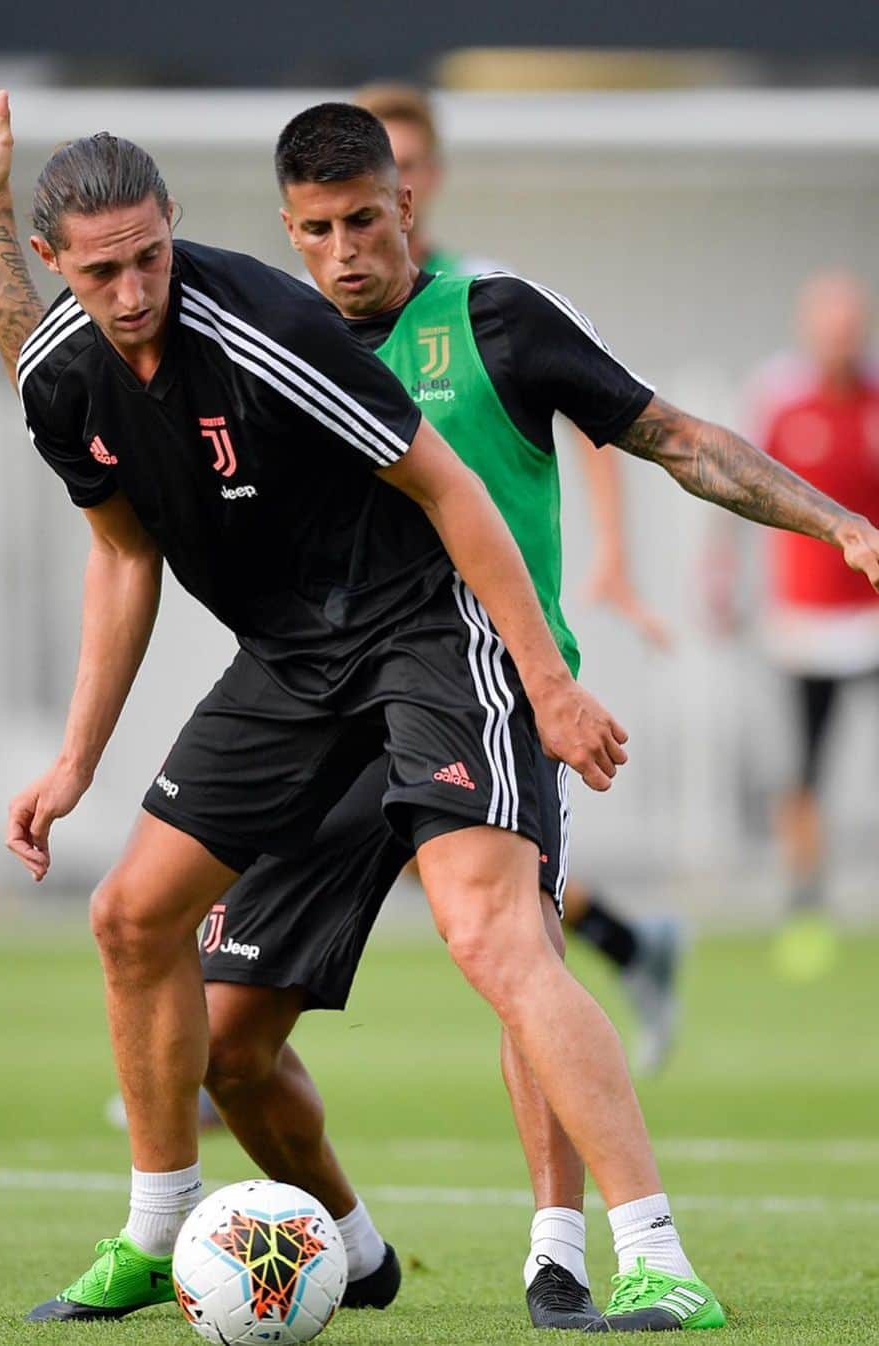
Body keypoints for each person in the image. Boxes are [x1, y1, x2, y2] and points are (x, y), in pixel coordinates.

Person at [0, 90, 879, 1333]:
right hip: (296, 663)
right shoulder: (80, 367)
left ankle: (642, 1253)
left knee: (492, 932)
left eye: (150, 257)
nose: (134, 289)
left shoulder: (293, 325)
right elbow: (111, 525)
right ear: (60, 262)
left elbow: (477, 479)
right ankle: (231, 1236)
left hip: (433, 639)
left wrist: (558, 678)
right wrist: (75, 758)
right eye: (104, 269)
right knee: (148, 936)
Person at [356, 80, 682, 1071]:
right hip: (354, 645)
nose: (394, 187)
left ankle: (212, 1060)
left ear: (425, 183)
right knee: (404, 854)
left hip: (474, 654)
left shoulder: (481, 300)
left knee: (471, 883)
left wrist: (615, 557)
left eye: (408, 167)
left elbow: (599, 415)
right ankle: (218, 1049)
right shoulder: (306, 316)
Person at [739, 271, 879, 977]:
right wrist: (721, 572)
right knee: (804, 776)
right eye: (829, 326)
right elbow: (743, 484)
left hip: (874, 618)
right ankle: (804, 906)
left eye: (850, 326)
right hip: (803, 624)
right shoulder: (781, 399)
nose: (840, 339)